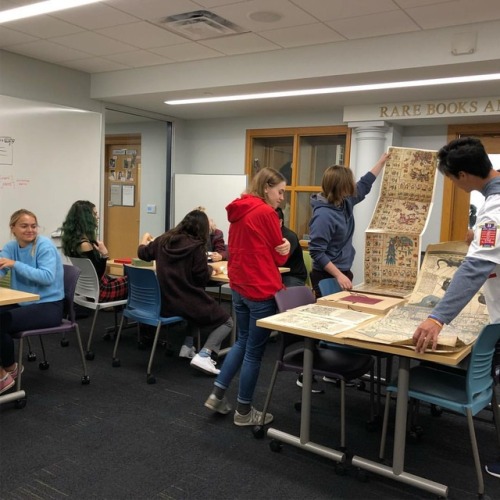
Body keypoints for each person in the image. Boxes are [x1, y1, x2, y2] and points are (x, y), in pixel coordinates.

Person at [410, 137, 500, 479]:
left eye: (451, 179)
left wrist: (437, 317)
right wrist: (478, 237)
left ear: (462, 175)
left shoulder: (495, 207)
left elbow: (476, 267)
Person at [204, 167, 290, 426]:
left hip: (239, 286)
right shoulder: (266, 212)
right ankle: (244, 412)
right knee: (254, 352)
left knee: (242, 342)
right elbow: (279, 257)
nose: (282, 197)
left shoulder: (239, 208)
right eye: (280, 191)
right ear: (266, 187)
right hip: (260, 289)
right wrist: (284, 247)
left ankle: (218, 394)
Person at [137, 209, 233, 376]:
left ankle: (187, 346)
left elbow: (143, 253)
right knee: (227, 321)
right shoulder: (197, 247)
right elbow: (201, 278)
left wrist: (143, 240)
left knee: (198, 303)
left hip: (164, 302)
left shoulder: (162, 240)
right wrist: (212, 270)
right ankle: (205, 354)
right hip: (186, 301)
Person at [0, 209, 64, 394]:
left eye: (33, 226)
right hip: (24, 303)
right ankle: (10, 368)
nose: (30, 230)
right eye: (24, 226)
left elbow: (47, 277)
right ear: (13, 228)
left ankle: (4, 374)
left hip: (48, 306)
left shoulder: (44, 246)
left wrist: (15, 264)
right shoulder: (11, 247)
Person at [308, 152, 390, 297]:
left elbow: (364, 184)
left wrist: (381, 162)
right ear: (340, 188)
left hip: (343, 270)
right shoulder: (323, 216)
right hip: (325, 275)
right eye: (349, 184)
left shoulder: (345, 202)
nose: (353, 186)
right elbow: (316, 252)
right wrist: (339, 275)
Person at [61, 200, 127, 302]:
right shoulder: (85, 245)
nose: (97, 217)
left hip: (87, 290)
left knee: (121, 279)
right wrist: (105, 254)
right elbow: (99, 273)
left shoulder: (74, 242)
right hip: (100, 291)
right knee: (134, 281)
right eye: (95, 214)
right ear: (86, 218)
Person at [275, 207, 307, 287]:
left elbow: (280, 260)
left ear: (280, 222)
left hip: (292, 276)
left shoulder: (289, 237)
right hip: (275, 274)